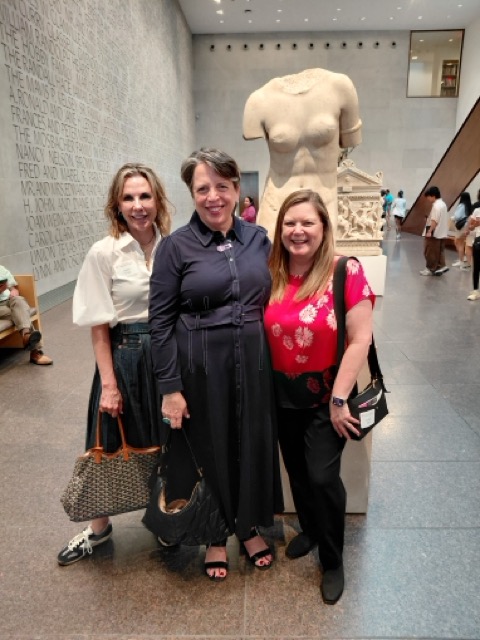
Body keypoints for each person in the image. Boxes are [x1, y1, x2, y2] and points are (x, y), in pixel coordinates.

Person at [149, 148, 283, 581]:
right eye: (202, 188)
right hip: (201, 366)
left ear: (236, 189)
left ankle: (249, 526)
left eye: (222, 187)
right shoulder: (175, 247)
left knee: (250, 441)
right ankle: (214, 534)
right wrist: (170, 388)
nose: (213, 197)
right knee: (212, 445)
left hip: (254, 362)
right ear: (191, 193)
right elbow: (160, 322)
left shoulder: (258, 239)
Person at [57, 163, 171, 566]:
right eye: (129, 197)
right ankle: (99, 528)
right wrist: (109, 383)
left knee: (166, 439)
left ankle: (165, 517)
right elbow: (99, 327)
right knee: (107, 439)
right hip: (125, 356)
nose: (138, 205)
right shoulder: (104, 252)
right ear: (117, 205)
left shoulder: (172, 246)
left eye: (145, 196)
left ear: (157, 200)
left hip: (168, 355)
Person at [264, 189, 375, 605]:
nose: (298, 231)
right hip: (280, 394)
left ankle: (332, 559)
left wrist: (340, 399)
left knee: (322, 477)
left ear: (324, 227)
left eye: (307, 222)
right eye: (290, 223)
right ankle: (310, 529)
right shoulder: (271, 272)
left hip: (329, 396)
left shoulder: (345, 270)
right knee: (296, 471)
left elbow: (360, 339)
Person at [243, 68, 362, 238]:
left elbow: (351, 141)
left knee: (322, 255)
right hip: (277, 204)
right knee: (269, 254)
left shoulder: (340, 88)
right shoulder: (259, 100)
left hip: (323, 202)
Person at [0, 265, 53, 365]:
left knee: (19, 300)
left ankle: (26, 335)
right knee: (21, 313)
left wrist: (13, 290)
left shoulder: (1, 268)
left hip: (9, 300)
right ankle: (34, 352)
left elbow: (12, 284)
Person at [420, 186, 450, 276]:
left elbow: (434, 220)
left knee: (429, 251)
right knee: (439, 251)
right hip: (442, 232)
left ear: (433, 196)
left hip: (434, 233)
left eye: (428, 197)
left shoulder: (436, 206)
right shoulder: (443, 204)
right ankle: (440, 266)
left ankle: (430, 268)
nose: (428, 199)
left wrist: (429, 231)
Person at [451, 191, 472, 269]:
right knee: (461, 243)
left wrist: (452, 218)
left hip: (461, 226)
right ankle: (462, 259)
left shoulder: (461, 205)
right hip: (466, 226)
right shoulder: (469, 205)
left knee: (458, 243)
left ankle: (461, 261)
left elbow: (457, 216)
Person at [466, 189, 480, 301]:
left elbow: (473, 225)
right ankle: (475, 290)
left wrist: (472, 225)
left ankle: (476, 291)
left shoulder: (477, 210)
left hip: (479, 240)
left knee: (477, 267)